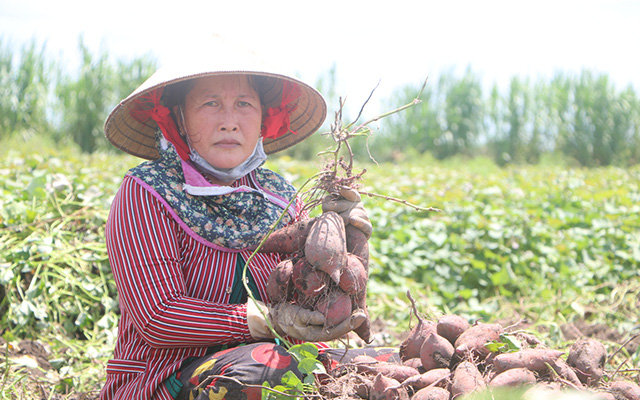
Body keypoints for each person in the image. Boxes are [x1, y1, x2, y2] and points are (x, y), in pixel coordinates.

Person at [100, 37, 395, 400]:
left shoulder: (282, 197)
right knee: (265, 371)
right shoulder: (146, 193)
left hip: (284, 358)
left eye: (244, 104)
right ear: (178, 118)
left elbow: (317, 301)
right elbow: (158, 319)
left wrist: (351, 243)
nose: (229, 122)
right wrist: (262, 319)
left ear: (262, 119)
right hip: (169, 378)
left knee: (386, 363)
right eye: (211, 104)